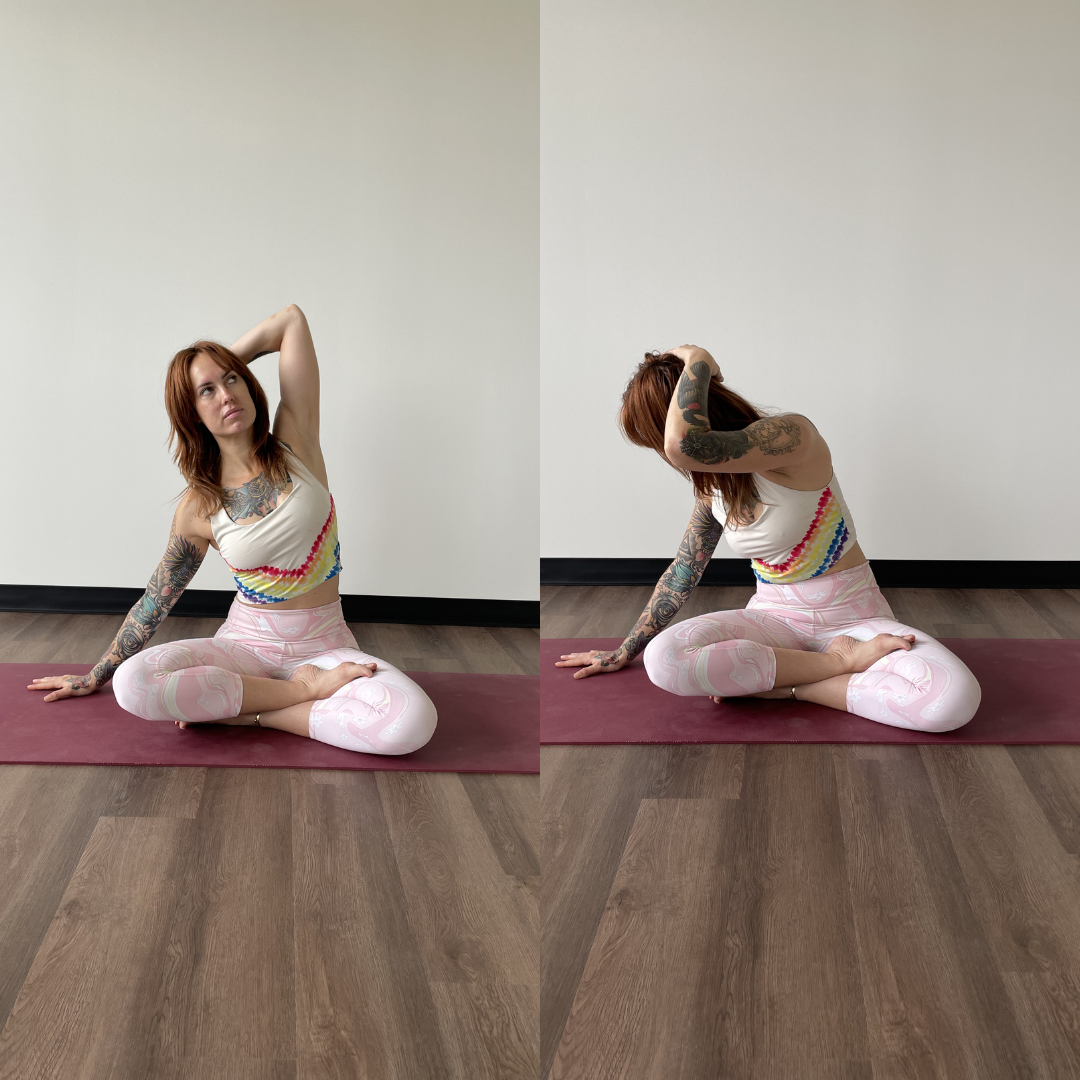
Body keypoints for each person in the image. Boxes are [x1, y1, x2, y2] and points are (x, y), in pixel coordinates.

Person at [27, 304, 437, 755]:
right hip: (245, 648)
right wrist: (94, 676)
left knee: (410, 723)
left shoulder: (296, 439)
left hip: (324, 644)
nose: (225, 395)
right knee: (134, 683)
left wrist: (217, 360)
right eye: (206, 391)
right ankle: (299, 695)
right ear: (191, 412)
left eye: (232, 379)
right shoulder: (198, 505)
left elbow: (290, 322)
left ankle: (242, 712)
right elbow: (155, 600)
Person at [555, 345, 981, 733]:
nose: (664, 455)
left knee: (951, 702)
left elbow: (685, 445)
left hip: (854, 618)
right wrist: (624, 650)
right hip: (772, 622)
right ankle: (819, 674)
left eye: (656, 438)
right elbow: (685, 569)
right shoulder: (713, 488)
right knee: (663, 660)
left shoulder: (794, 437)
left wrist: (698, 359)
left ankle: (781, 682)